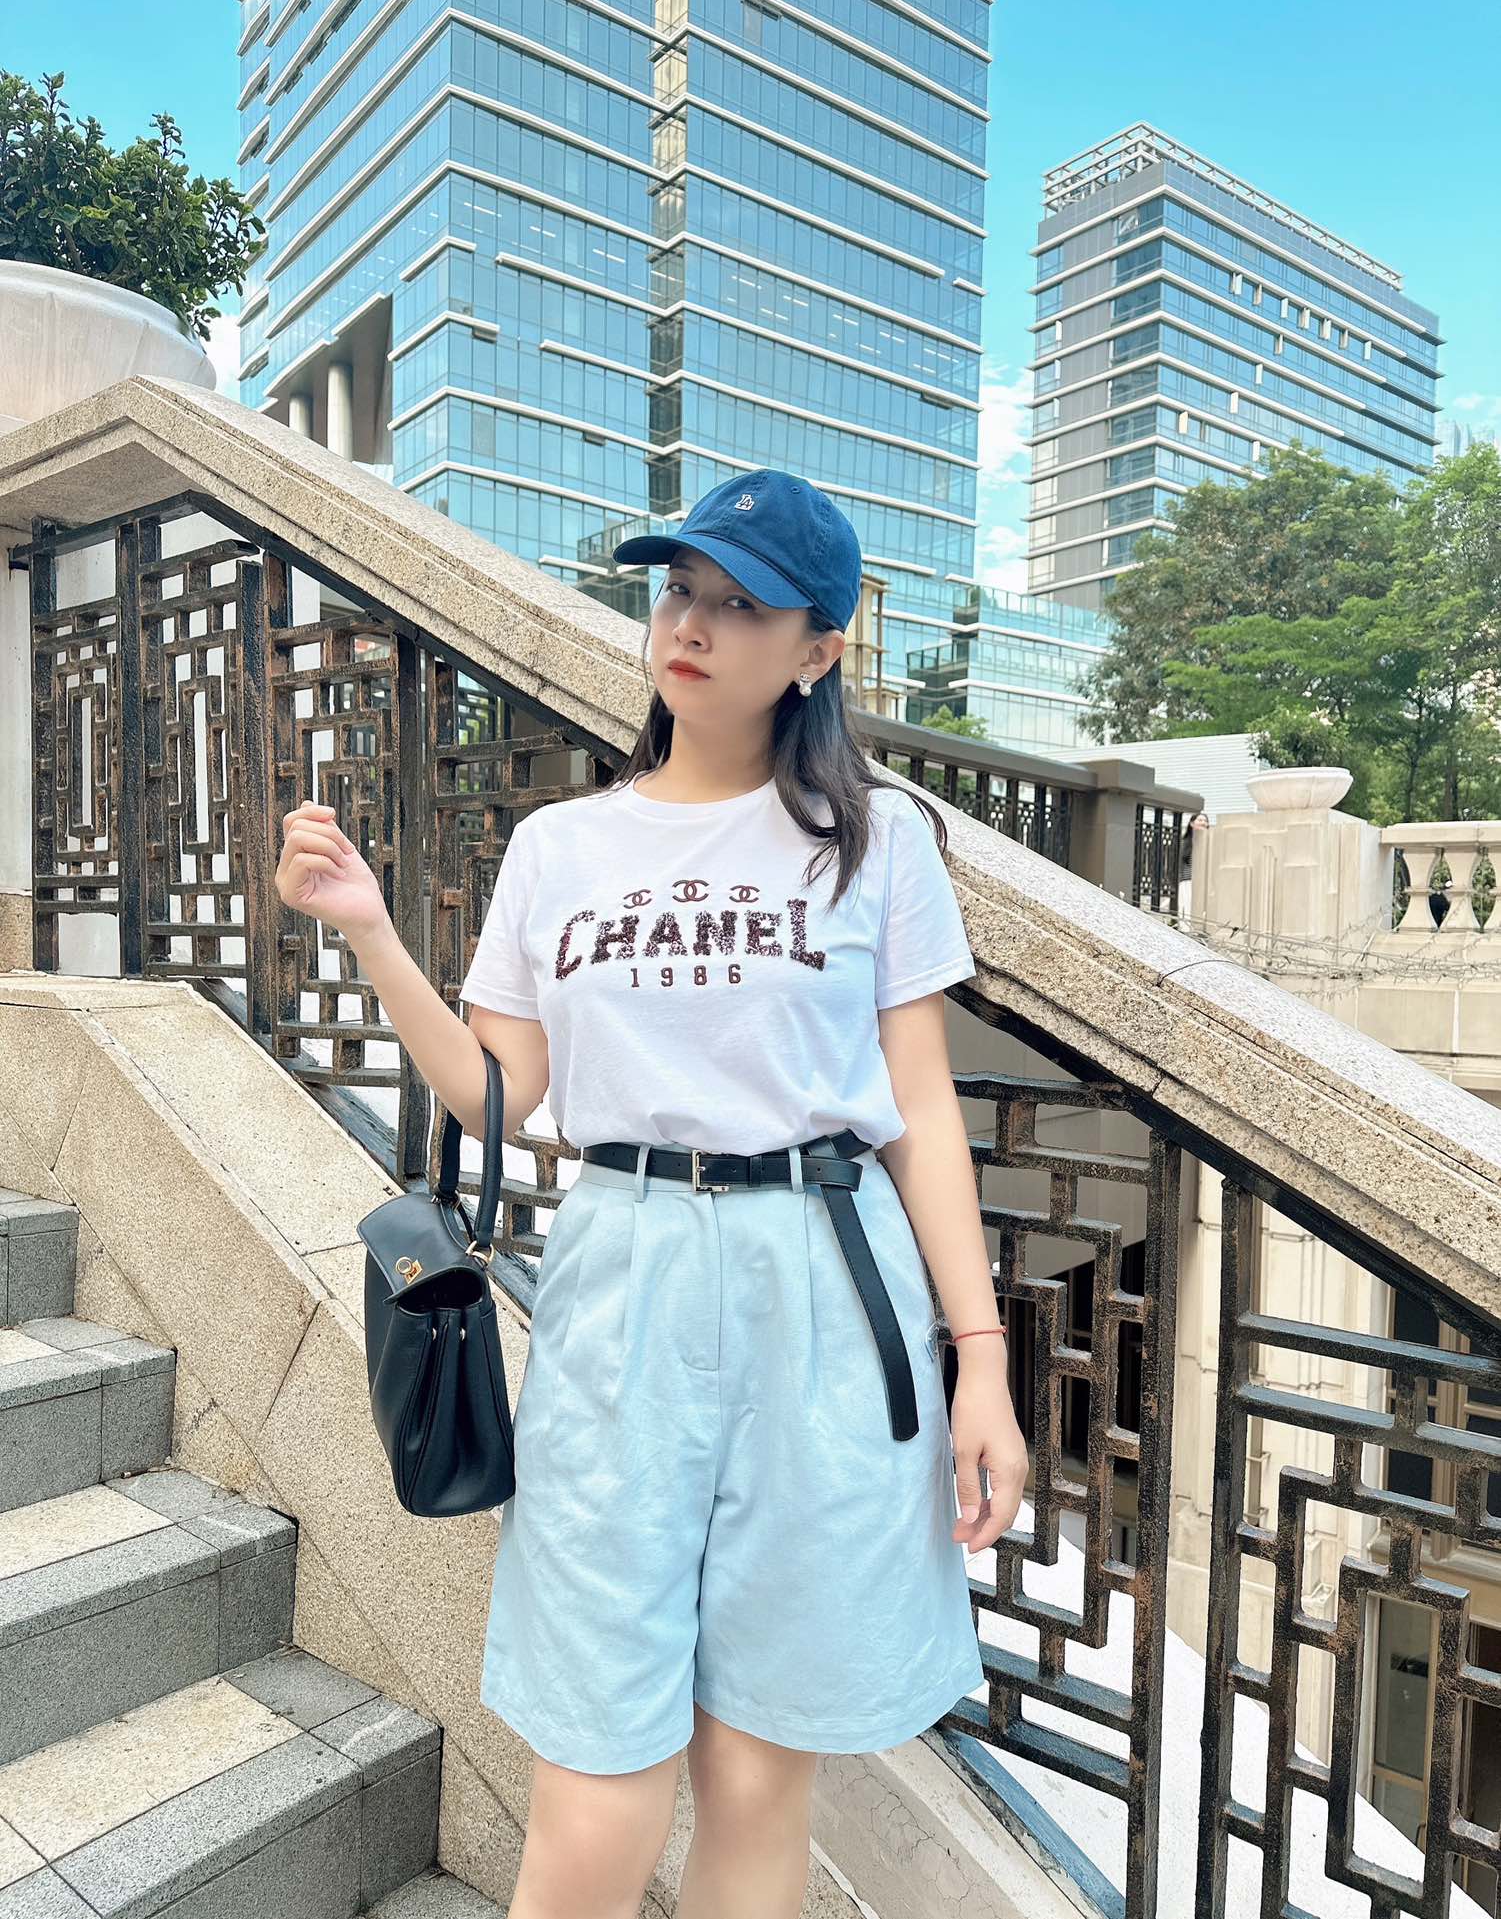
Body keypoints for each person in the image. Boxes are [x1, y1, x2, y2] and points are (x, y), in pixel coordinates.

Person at [275, 467, 1029, 1919]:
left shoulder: (878, 841)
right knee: (597, 1769)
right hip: (623, 1273)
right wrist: (369, 933)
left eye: (739, 604)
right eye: (679, 590)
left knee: (755, 1774)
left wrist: (980, 1358)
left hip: (826, 1280)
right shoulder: (563, 846)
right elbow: (498, 1096)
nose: (689, 624)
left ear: (817, 649)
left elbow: (921, 1109)